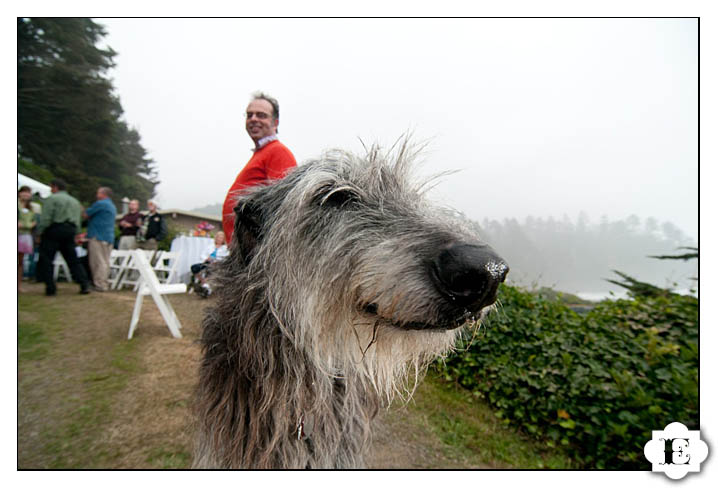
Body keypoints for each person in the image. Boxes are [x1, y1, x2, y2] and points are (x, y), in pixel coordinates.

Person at [222, 92, 297, 242]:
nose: (254, 119)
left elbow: (284, 207)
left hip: (257, 253)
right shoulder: (262, 153)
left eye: (261, 115)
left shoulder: (277, 152)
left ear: (275, 123)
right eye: (249, 115)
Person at [36, 179, 90, 296]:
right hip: (70, 231)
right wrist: (77, 233)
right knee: (73, 260)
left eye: (51, 187)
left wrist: (39, 232)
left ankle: (50, 287)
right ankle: (84, 284)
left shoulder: (52, 199)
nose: (51, 190)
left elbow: (46, 218)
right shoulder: (75, 202)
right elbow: (77, 220)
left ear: (55, 187)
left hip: (54, 230)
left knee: (47, 259)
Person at [83, 186, 117, 292]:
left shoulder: (101, 204)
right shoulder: (112, 206)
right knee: (105, 261)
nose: (96, 195)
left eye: (98, 193)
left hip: (98, 236)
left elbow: (85, 214)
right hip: (108, 237)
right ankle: (103, 282)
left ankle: (100, 284)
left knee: (98, 261)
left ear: (103, 194)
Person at [18, 186, 36, 292]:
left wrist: (28, 225)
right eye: (23, 192)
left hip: (25, 235)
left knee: (20, 262)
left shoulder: (31, 208)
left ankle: (18, 285)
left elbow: (34, 222)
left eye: (28, 192)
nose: (25, 194)